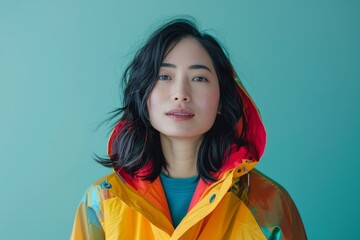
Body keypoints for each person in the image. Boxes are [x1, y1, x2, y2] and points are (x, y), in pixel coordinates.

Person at [71, 18, 307, 239]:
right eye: (164, 76)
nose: (181, 94)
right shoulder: (102, 203)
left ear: (222, 101)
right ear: (143, 94)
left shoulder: (269, 204)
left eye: (199, 78)